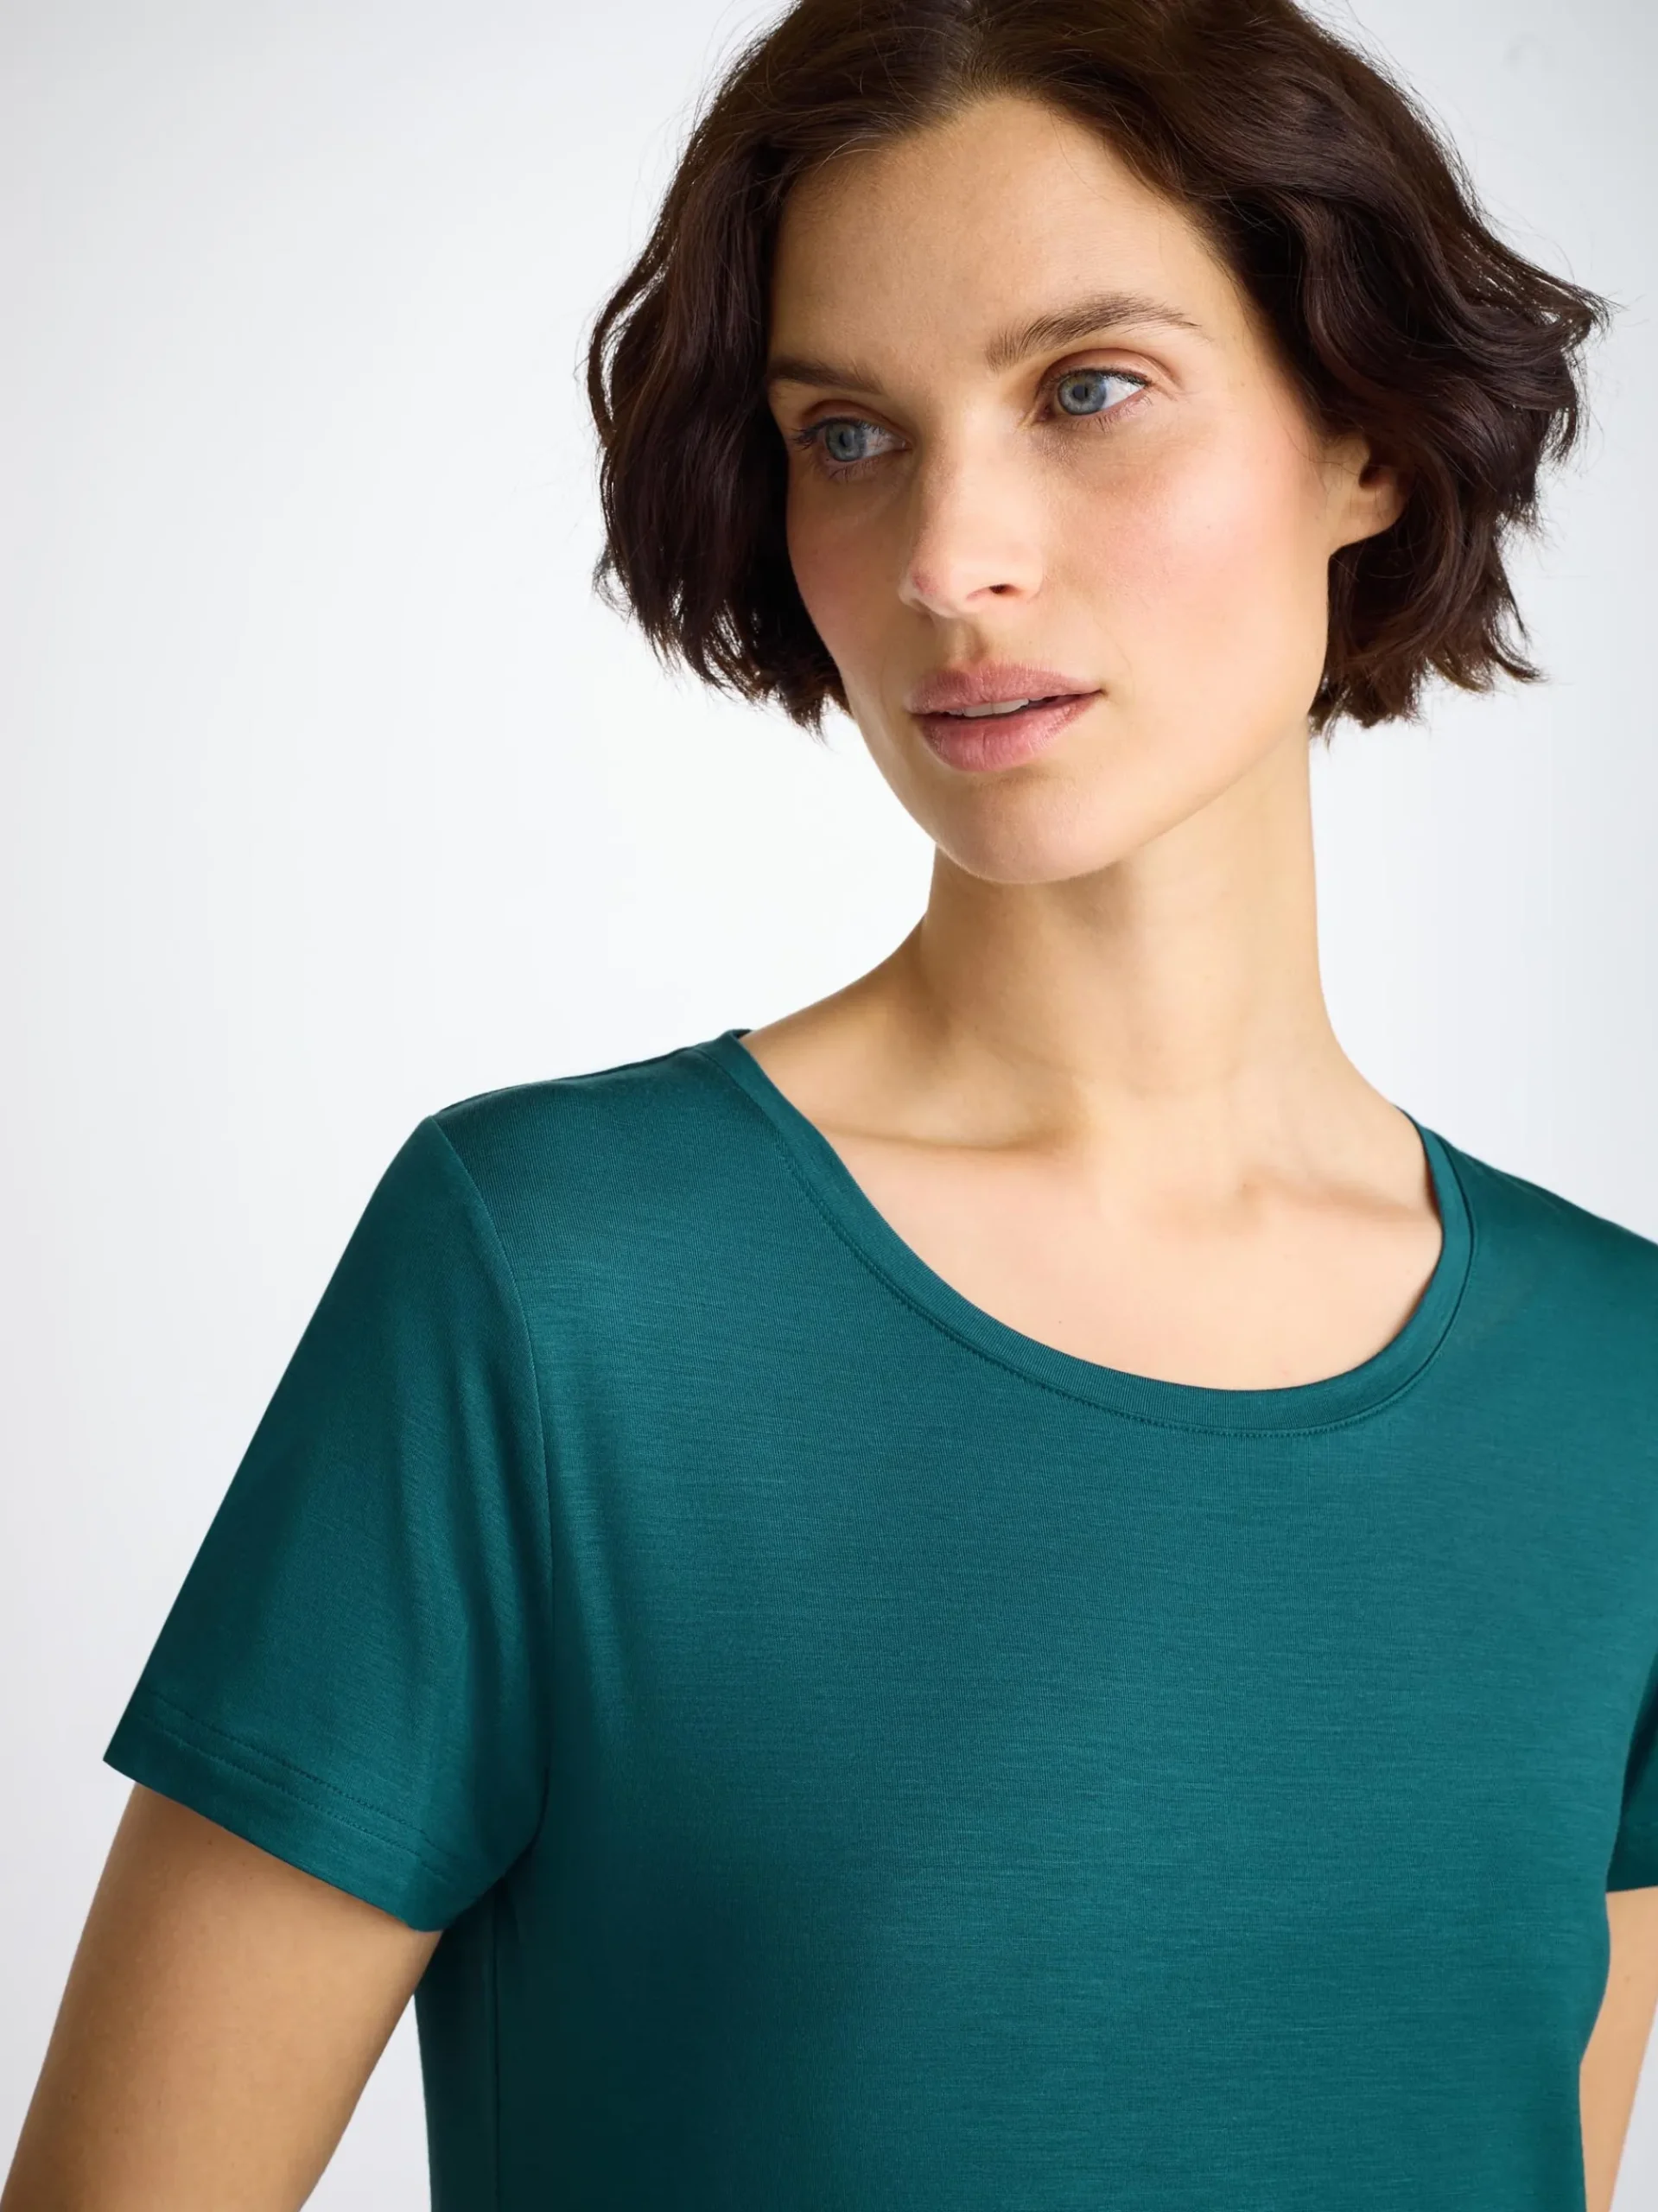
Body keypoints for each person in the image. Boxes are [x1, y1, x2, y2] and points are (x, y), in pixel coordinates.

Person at [6, 0, 1656, 2206]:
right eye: (848, 435)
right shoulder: (554, 1293)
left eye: (1086, 390)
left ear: (1360, 431)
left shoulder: (1618, 1392)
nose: (947, 557)